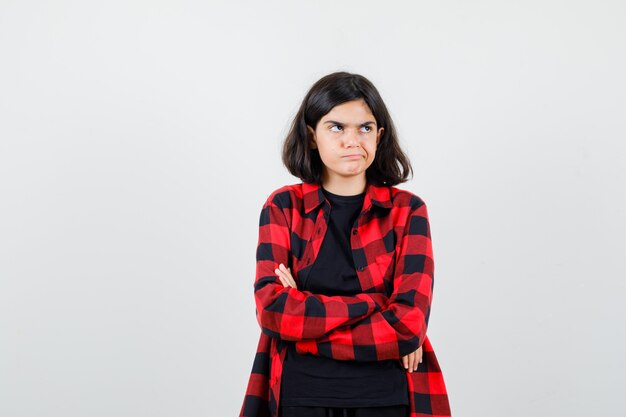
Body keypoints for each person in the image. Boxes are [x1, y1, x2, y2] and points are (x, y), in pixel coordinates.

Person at [240, 72, 451, 417]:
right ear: (311, 136)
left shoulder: (408, 212)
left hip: (385, 399)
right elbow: (272, 310)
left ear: (379, 136)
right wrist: (374, 305)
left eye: (365, 128)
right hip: (300, 397)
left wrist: (304, 324)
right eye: (336, 127)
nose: (353, 140)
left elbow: (407, 325)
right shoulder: (284, 207)